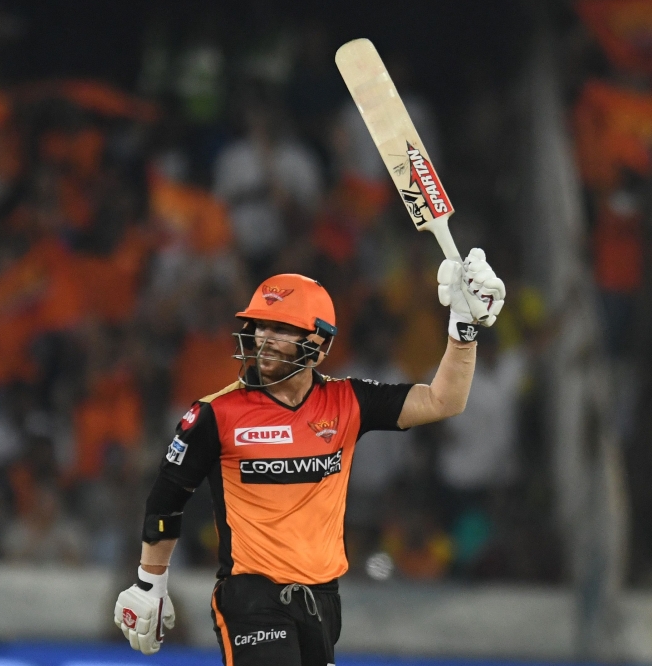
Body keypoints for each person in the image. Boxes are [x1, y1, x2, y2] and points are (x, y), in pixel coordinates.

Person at [113, 249, 506, 663]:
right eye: (260, 325)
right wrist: (149, 583)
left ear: (319, 344)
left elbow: (444, 401)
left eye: (280, 328)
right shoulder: (216, 413)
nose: (264, 338)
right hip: (251, 598)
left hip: (322, 600)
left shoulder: (347, 401)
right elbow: (166, 500)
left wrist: (463, 333)